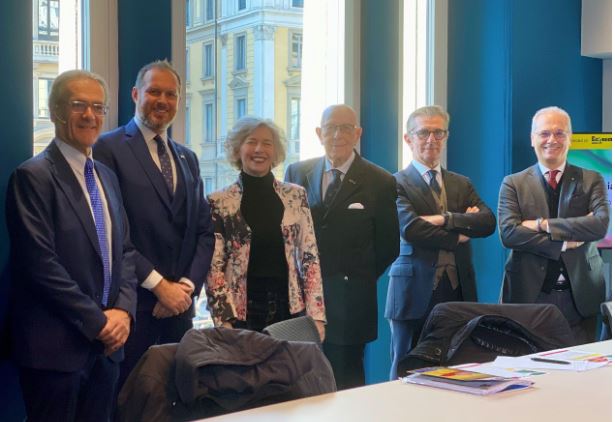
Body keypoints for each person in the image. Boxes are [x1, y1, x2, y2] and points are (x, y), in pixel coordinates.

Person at [5, 70, 137, 421]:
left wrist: (124, 312)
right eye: (79, 105)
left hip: (107, 350)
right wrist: (98, 322)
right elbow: (39, 265)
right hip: (56, 351)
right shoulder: (32, 177)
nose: (90, 115)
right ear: (56, 111)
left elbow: (125, 251)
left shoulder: (106, 177)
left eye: (98, 107)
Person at [93, 60, 215, 387]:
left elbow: (204, 231)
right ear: (136, 94)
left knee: (177, 398)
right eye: (154, 92)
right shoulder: (106, 149)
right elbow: (111, 233)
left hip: (180, 311)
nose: (162, 100)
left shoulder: (187, 157)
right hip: (132, 309)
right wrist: (161, 287)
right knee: (130, 399)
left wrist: (185, 287)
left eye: (170, 94)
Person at [285, 104, 399, 390]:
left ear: (358, 133)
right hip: (302, 303)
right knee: (300, 381)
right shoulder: (297, 172)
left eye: (346, 128)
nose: (338, 135)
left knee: (346, 384)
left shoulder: (380, 181)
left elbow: (389, 246)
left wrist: (354, 278)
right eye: (330, 128)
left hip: (351, 303)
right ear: (318, 133)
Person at [386, 105, 495, 380]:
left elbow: (487, 223)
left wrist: (443, 218)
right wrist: (460, 232)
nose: (431, 139)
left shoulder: (462, 183)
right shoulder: (395, 183)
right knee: (406, 368)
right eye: (423, 133)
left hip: (459, 288)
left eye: (438, 132)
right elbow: (411, 229)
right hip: (412, 290)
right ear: (408, 138)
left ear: (446, 137)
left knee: (458, 366)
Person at [498, 106, 610, 345]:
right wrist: (563, 244)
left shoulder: (592, 179)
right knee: (528, 362)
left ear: (570, 138)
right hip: (529, 294)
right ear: (533, 139)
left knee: (583, 363)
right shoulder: (513, 183)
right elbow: (509, 234)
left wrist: (543, 225)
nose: (552, 139)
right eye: (545, 133)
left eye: (560, 133)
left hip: (581, 294)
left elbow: (600, 225)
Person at [206, 116, 326, 338]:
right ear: (238, 149)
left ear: (275, 151)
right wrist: (223, 319)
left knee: (286, 363)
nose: (259, 149)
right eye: (251, 142)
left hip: (290, 309)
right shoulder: (219, 201)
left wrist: (316, 316)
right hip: (240, 313)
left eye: (267, 143)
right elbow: (214, 266)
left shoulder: (296, 195)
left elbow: (310, 257)